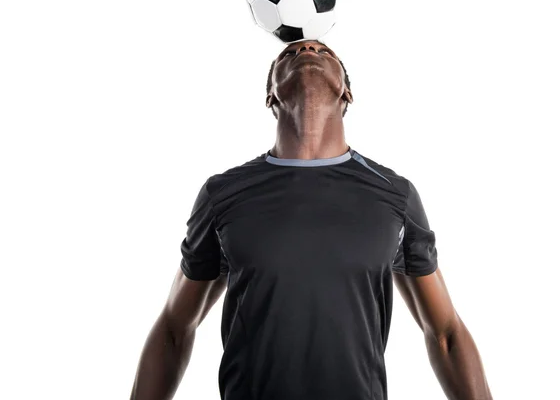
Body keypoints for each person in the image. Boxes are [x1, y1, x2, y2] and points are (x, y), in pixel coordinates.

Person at [130, 40, 493, 400]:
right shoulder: (224, 193)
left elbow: (445, 335)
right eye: (289, 53)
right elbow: (175, 329)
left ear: (346, 92)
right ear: (271, 96)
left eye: (324, 52)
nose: (307, 53)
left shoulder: (395, 195)